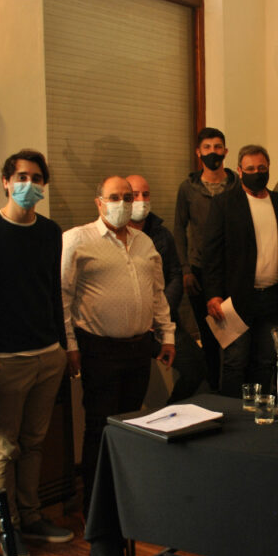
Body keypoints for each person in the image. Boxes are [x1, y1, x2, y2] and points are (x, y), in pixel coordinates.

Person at [0, 149, 73, 556]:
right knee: (3, 447)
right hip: (5, 360)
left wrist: (62, 347)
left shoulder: (51, 232)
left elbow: (52, 293)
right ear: (6, 182)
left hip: (47, 355)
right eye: (21, 177)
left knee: (35, 442)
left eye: (37, 178)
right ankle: (8, 528)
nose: (29, 184)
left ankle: (32, 515)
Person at [62, 175, 175, 513]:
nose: (123, 204)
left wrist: (167, 335)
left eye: (128, 197)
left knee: (128, 427)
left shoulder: (145, 242)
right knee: (100, 430)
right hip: (98, 350)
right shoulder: (77, 239)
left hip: (139, 349)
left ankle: (123, 505)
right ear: (99, 202)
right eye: (115, 197)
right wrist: (70, 345)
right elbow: (62, 297)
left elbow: (158, 294)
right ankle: (94, 510)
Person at [203, 145, 278, 399]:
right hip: (234, 298)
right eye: (250, 169)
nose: (256, 173)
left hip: (272, 297)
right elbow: (211, 253)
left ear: (269, 168)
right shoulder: (223, 204)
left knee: (266, 361)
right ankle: (232, 416)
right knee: (235, 361)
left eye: (261, 168)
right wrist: (213, 294)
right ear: (239, 171)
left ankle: (260, 414)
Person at [127, 173, 206, 402]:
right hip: (130, 329)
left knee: (197, 366)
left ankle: (170, 413)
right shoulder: (114, 235)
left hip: (164, 321)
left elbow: (174, 274)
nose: (141, 200)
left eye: (145, 194)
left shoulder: (161, 234)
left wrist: (160, 311)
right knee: (131, 390)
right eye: (134, 195)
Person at [174, 127, 238, 391]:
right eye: (207, 147)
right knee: (209, 335)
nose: (213, 152)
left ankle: (234, 390)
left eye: (218, 146)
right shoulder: (188, 188)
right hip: (199, 272)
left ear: (226, 151)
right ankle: (213, 390)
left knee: (235, 336)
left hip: (232, 271)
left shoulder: (237, 185)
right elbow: (179, 229)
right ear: (198, 152)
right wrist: (185, 269)